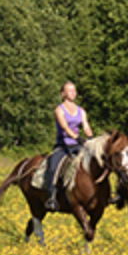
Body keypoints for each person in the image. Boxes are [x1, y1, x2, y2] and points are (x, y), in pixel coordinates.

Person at [44, 81, 93, 211]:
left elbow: (86, 126)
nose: (73, 93)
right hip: (63, 145)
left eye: (74, 91)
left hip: (78, 145)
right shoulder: (59, 110)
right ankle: (52, 197)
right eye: (70, 91)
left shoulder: (81, 111)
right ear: (63, 94)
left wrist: (91, 138)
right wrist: (77, 137)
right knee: (54, 167)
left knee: (97, 162)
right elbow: (65, 127)